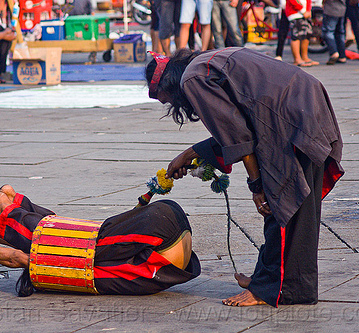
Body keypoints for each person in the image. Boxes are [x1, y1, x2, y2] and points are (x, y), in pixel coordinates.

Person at [145, 48, 344, 307]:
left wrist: (257, 185)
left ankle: (282, 289)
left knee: (283, 202)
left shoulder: (192, 79)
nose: (163, 103)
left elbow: (238, 137)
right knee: (286, 204)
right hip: (305, 107)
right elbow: (235, 125)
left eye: (160, 96)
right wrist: (192, 154)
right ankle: (268, 277)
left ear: (167, 83)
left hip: (291, 119)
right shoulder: (205, 62)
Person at [0, 185, 201, 296]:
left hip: (169, 231)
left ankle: (9, 205)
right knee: (68, 237)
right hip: (162, 231)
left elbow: (18, 258)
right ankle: (10, 204)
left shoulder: (57, 270)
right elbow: (22, 255)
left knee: (72, 238)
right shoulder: (76, 268)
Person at [285, 0, 319, 66]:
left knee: (306, 34)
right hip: (295, 13)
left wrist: (308, 10)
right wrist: (303, 11)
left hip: (305, 13)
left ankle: (305, 57)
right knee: (296, 36)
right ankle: (297, 59)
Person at [322, 0, 347, 64]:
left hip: (331, 9)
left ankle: (334, 52)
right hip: (341, 9)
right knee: (340, 33)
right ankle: (342, 56)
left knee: (328, 32)